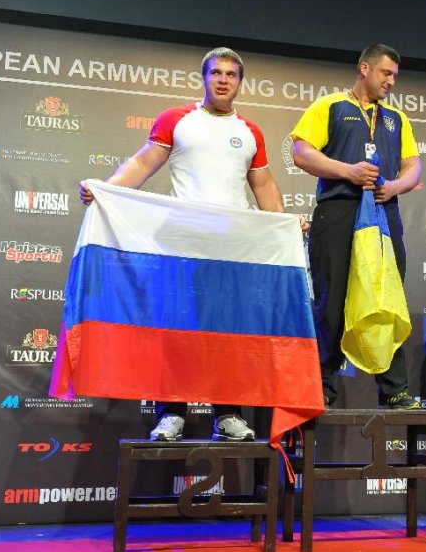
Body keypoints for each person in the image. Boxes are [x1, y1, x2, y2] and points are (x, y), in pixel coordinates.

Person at [79, 47, 306, 442]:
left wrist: (283, 223)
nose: (223, 79)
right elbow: (143, 163)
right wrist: (106, 191)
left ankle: (228, 415)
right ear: (203, 78)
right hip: (181, 248)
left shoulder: (250, 132)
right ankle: (171, 415)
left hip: (231, 252)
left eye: (231, 74)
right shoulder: (177, 120)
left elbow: (264, 185)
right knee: (175, 330)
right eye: (216, 72)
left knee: (229, 332)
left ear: (239, 82)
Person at [291, 44, 422, 410]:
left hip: (383, 212)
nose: (391, 82)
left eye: (395, 75)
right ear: (364, 68)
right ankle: (322, 388)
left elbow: (413, 166)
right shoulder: (330, 105)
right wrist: (347, 171)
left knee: (386, 297)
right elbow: (301, 152)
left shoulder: (396, 118)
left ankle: (394, 389)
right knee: (331, 300)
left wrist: (395, 186)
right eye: (386, 73)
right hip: (339, 209)